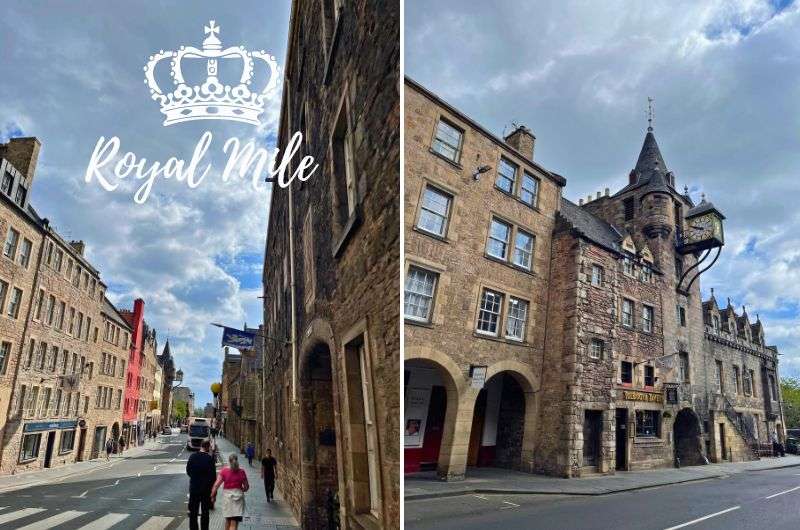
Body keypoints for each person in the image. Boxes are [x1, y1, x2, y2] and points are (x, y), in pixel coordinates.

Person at [211, 454, 249, 530]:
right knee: (234, 523)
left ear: (229, 461)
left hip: (227, 499)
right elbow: (246, 487)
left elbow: (216, 485)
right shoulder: (242, 471)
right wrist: (242, 489)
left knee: (228, 521)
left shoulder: (224, 471)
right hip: (238, 499)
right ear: (237, 460)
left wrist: (212, 496)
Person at [186, 440, 216, 530]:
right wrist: (213, 492)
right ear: (207, 448)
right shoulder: (210, 459)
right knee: (205, 513)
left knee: (193, 513)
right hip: (206, 490)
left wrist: (195, 478)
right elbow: (213, 477)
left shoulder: (193, 457)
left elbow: (188, 471)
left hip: (194, 488)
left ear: (201, 446)